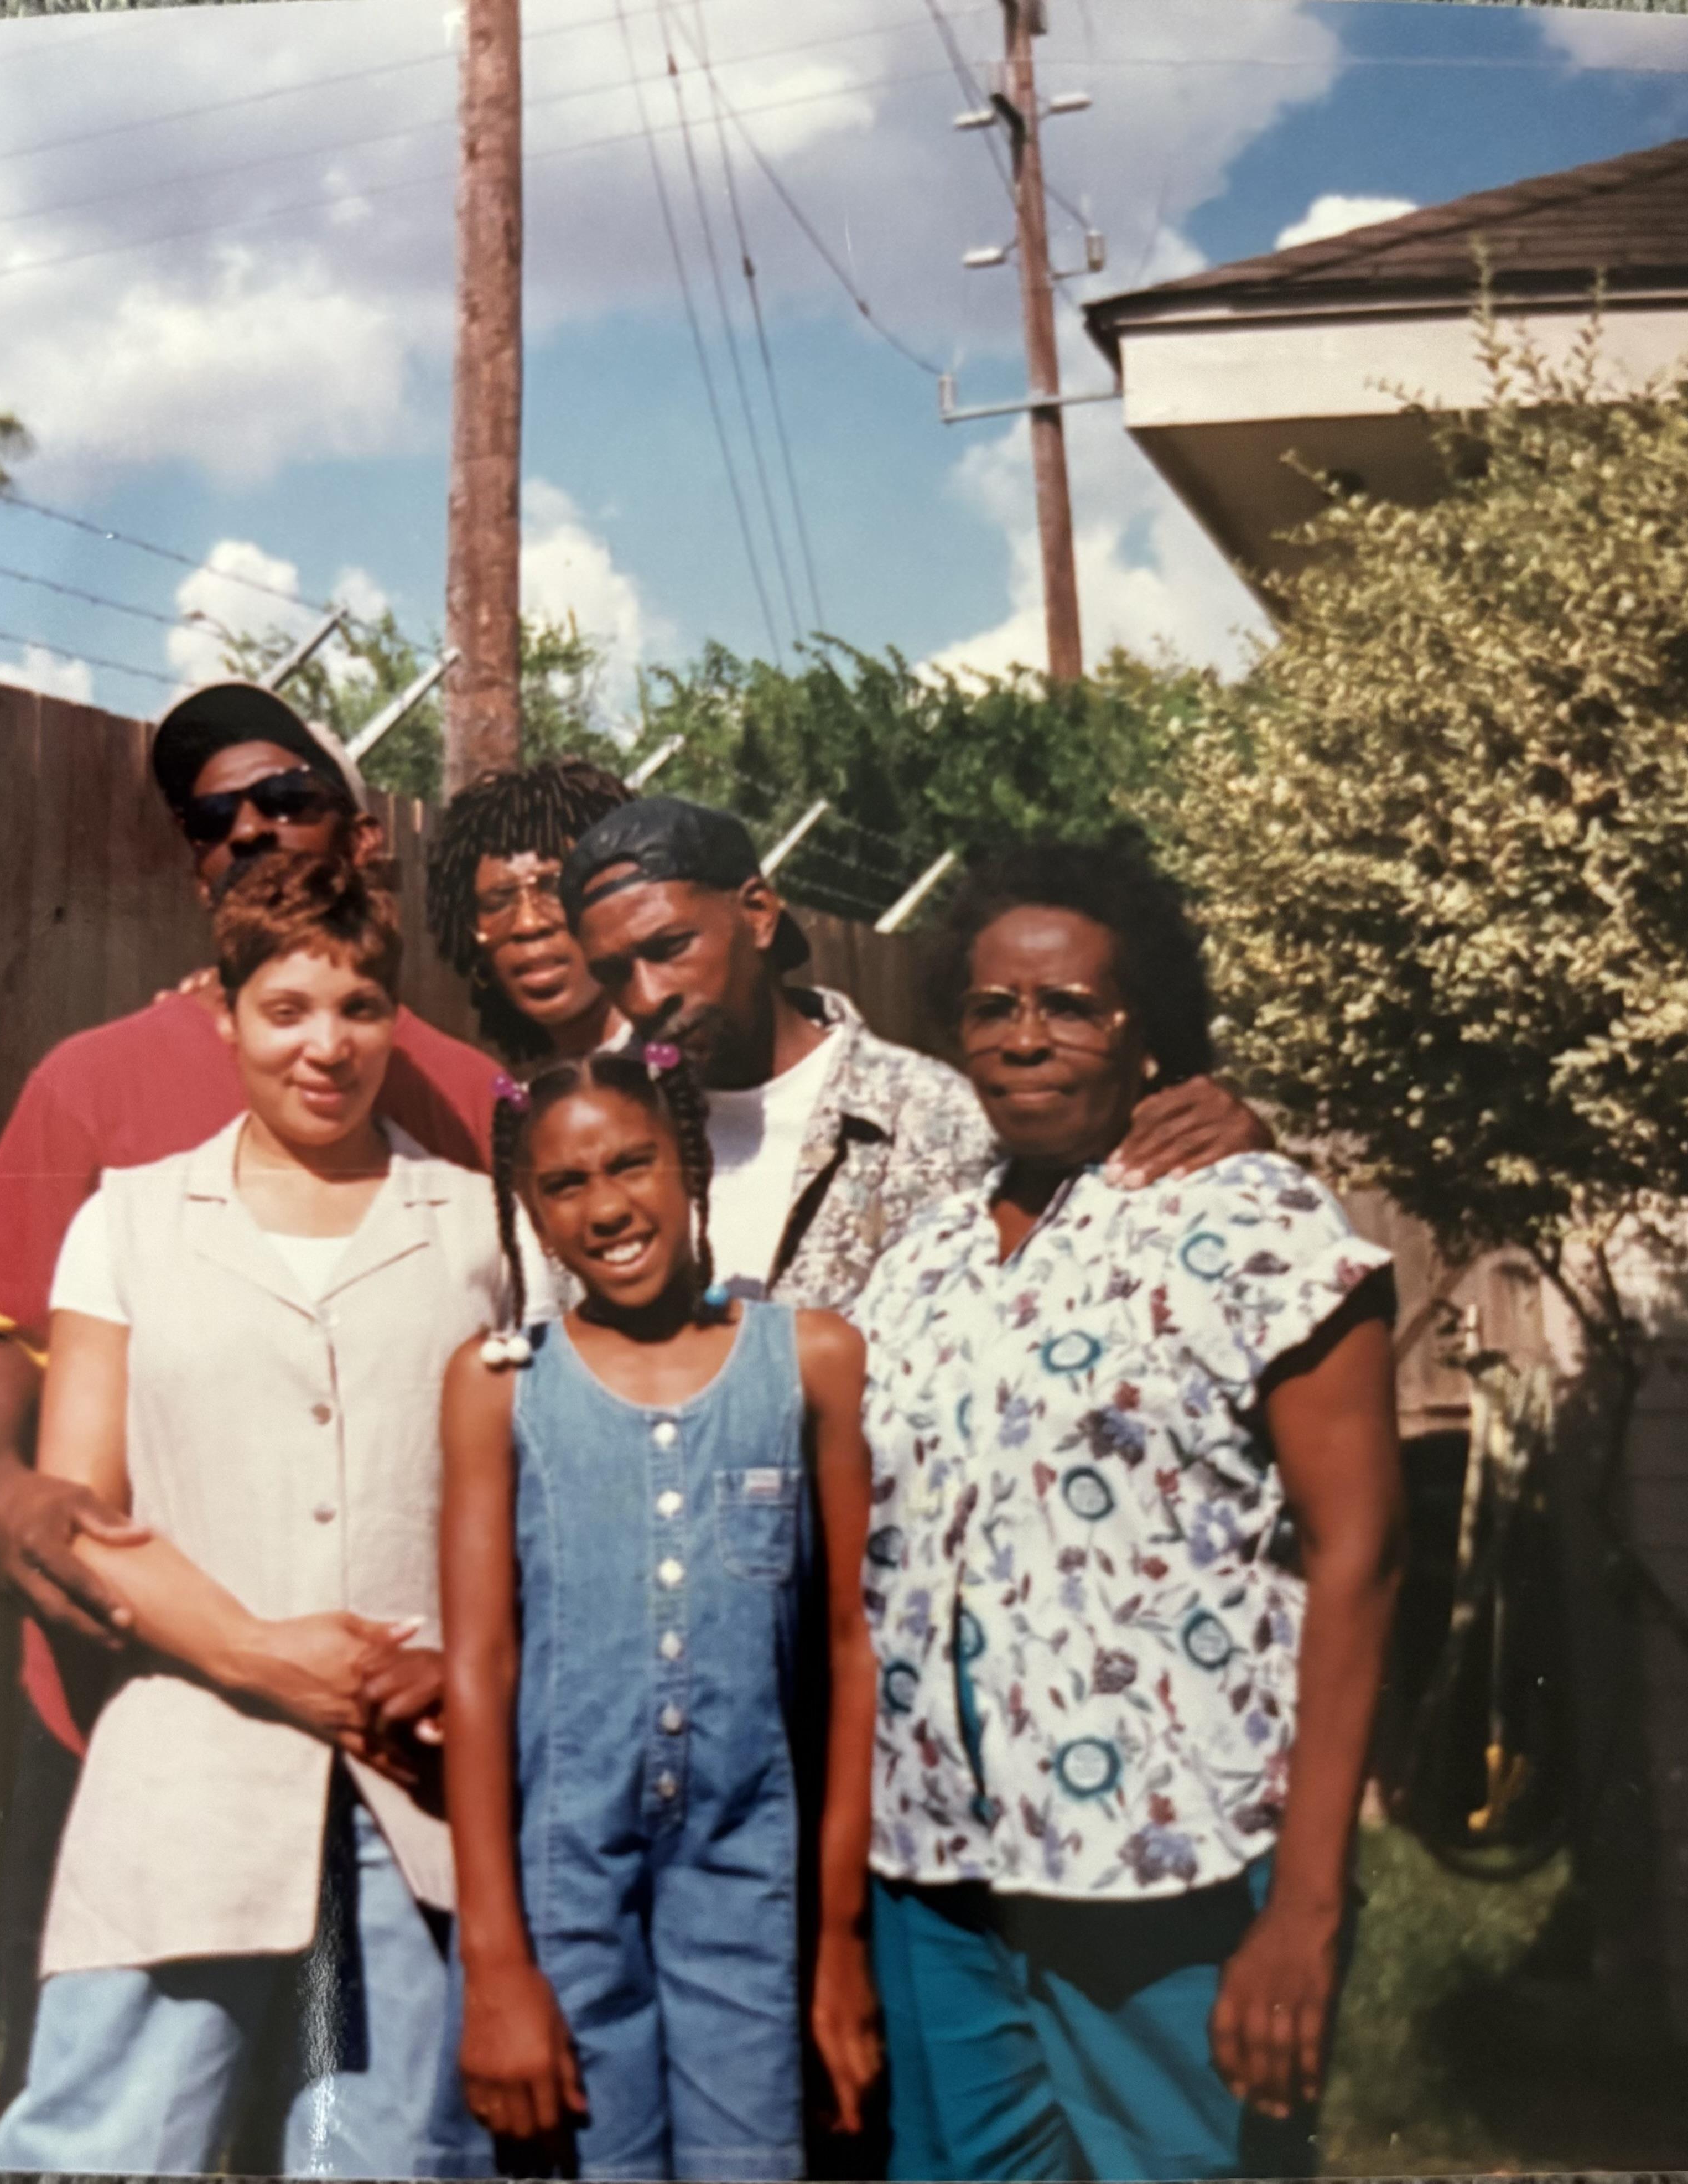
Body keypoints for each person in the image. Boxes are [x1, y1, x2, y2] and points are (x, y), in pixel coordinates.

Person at [0, 681, 502, 2114]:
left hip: (389, 1722)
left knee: (363, 2111)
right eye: (212, 818)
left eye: (284, 797)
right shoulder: (100, 1080)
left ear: (362, 831)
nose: (251, 830)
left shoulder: (468, 1106)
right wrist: (6, 1484)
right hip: (140, 1695)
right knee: (110, 2096)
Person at [851, 836, 1406, 2181]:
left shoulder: (1249, 1216)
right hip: (935, 1870)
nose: (1024, 1036)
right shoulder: (917, 1258)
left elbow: (1362, 1553)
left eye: (1070, 1004)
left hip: (1164, 1866)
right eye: (992, 1006)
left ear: (1144, 1030)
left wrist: (1309, 1911)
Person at [430, 1049, 883, 2181]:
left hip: (751, 1882)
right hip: (561, 1880)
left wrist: (834, 1936)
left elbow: (850, 1650)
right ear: (527, 1208)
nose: (608, 1204)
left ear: (688, 1165)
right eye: (565, 1183)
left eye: (632, 1163)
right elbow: (478, 1664)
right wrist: (494, 1961)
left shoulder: (810, 1359)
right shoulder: (498, 1383)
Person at [557, 797, 1276, 1316]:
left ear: (758, 913)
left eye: (670, 947)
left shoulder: (942, 1120)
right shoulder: (589, 1130)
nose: (647, 994)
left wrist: (1233, 1137)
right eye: (615, 971)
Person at [424, 757, 635, 1062]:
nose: (528, 923)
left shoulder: (687, 1086)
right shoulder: (524, 1100)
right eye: (498, 901)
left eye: (554, 888)